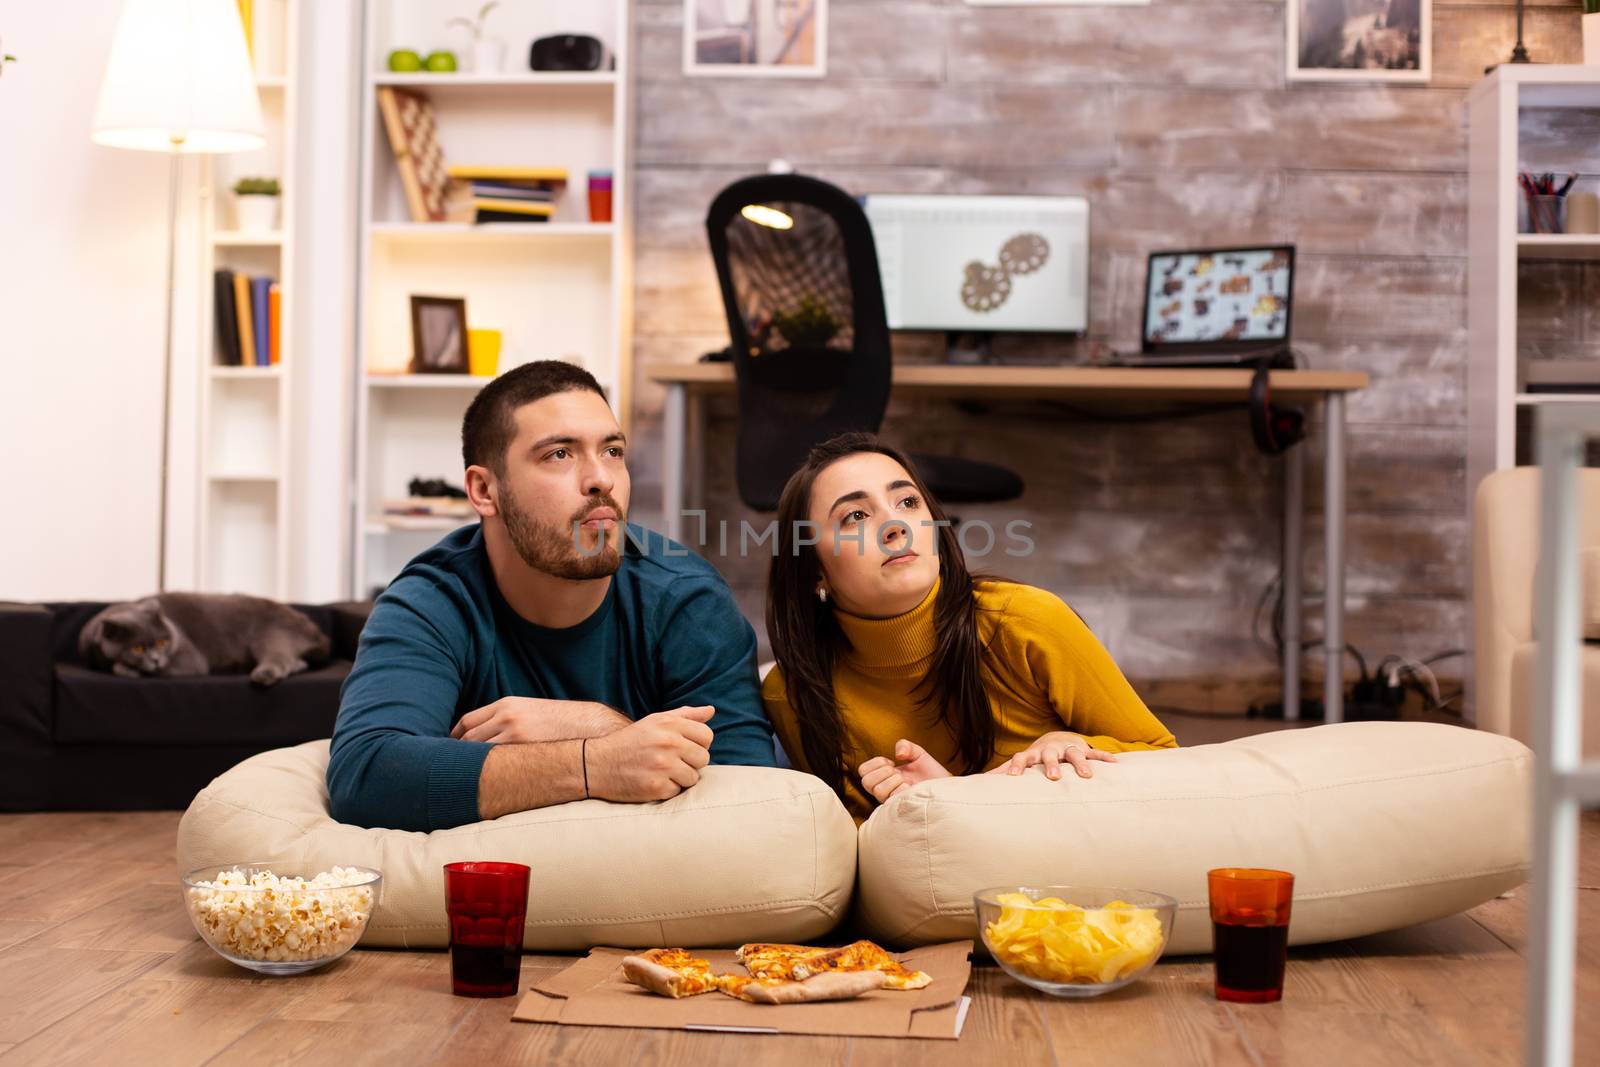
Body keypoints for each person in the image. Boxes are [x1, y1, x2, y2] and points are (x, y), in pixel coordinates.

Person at [328, 361, 776, 831]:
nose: (600, 478)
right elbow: (367, 774)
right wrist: (593, 765)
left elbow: (751, 800)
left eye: (613, 451)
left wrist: (598, 725)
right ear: (485, 490)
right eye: (559, 454)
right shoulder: (434, 599)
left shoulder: (688, 600)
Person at [762, 432, 1177, 822]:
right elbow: (847, 854)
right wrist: (908, 813)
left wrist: (1074, 746)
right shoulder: (795, 691)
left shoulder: (1024, 622)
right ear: (815, 571)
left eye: (908, 502)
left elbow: (1168, 760)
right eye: (855, 515)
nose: (896, 526)